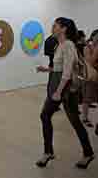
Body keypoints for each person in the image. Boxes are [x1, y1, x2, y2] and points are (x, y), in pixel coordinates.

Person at [36, 17, 95, 169]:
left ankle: (88, 153)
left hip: (66, 90)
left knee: (74, 121)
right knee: (45, 115)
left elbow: (67, 72)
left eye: (55, 26)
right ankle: (48, 152)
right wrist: (47, 69)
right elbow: (60, 68)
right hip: (59, 88)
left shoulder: (68, 45)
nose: (52, 28)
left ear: (63, 29)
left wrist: (58, 92)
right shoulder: (59, 45)